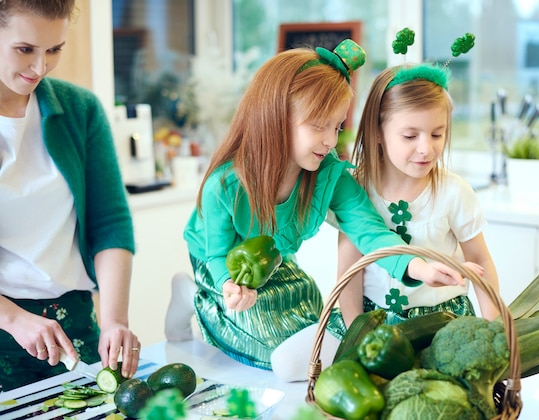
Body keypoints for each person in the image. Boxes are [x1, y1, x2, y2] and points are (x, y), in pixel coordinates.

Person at [179, 39, 468, 377]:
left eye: (337, 126)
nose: (331, 140)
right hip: (220, 261)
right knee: (270, 345)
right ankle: (191, 295)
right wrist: (229, 284)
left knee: (315, 329)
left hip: (273, 258)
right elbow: (217, 254)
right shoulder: (225, 185)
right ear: (274, 116)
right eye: (318, 125)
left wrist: (419, 267)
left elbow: (370, 233)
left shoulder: (329, 173)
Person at [0, 0, 140, 392]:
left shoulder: (80, 111)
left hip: (75, 327)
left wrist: (115, 320)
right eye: (25, 49)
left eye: (54, 50)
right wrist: (12, 318)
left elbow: (110, 223)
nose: (39, 68)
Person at [335, 62, 500, 332]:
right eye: (410, 136)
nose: (426, 148)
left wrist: (492, 325)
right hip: (372, 320)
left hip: (443, 322)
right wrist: (355, 333)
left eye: (438, 134)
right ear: (377, 132)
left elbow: (480, 261)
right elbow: (348, 273)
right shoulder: (357, 191)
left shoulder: (454, 192)